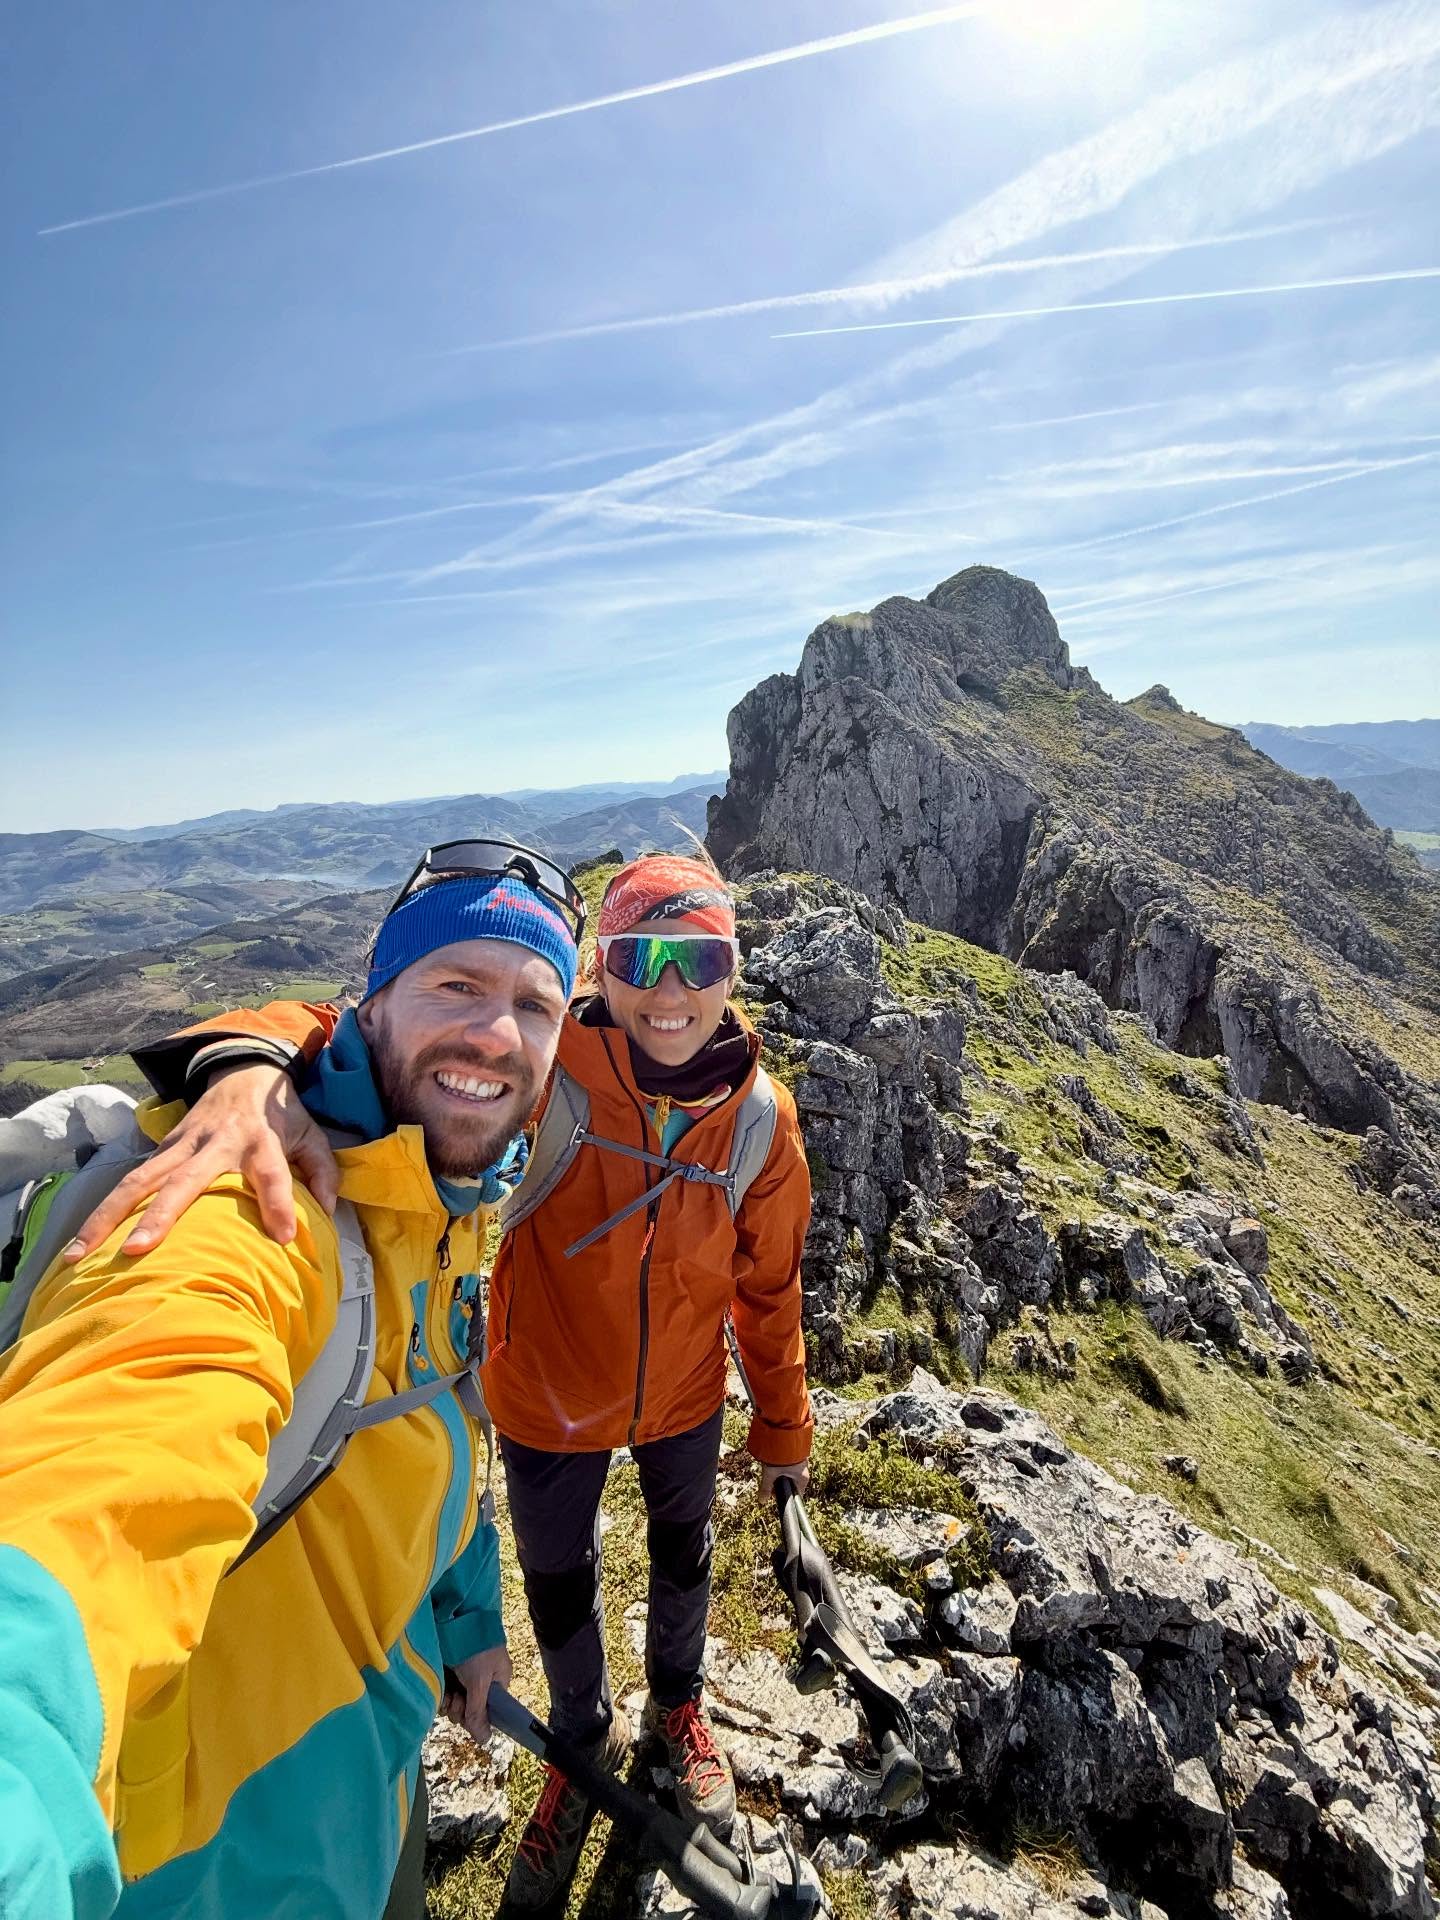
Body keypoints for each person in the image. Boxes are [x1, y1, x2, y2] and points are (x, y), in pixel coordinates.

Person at [75, 850, 815, 1914]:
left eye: (700, 961)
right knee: (559, 1587)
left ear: (731, 974)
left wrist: (784, 1439)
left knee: (684, 1559)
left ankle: (678, 1710)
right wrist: (247, 1062)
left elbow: (773, 1290)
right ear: (600, 973)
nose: (670, 990)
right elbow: (367, 1033)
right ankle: (578, 1736)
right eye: (639, 956)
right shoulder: (547, 1067)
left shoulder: (757, 1123)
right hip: (545, 1396)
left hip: (687, 1396)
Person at [0, 839, 584, 1920]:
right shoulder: (244, 1211)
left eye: (535, 1005)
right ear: (371, 1004)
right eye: (456, 983)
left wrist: (463, 1617)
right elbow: (102, 1488)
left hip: (374, 1788)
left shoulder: (444, 1201)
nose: (496, 1034)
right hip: (204, 1873)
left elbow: (427, 1416)